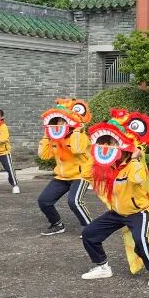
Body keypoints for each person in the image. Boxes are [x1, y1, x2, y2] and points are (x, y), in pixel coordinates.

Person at [79, 109, 149, 287]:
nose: (110, 147)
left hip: (139, 212)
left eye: (113, 143)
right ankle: (102, 266)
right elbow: (86, 174)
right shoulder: (106, 166)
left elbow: (138, 179)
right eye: (107, 144)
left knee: (140, 241)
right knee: (89, 234)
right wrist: (96, 156)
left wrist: (135, 158)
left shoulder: (133, 164)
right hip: (117, 212)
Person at [36, 99, 94, 237]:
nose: (58, 124)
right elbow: (44, 155)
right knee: (44, 201)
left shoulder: (81, 136)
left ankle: (89, 228)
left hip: (80, 176)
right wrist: (46, 136)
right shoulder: (55, 139)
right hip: (62, 177)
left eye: (62, 121)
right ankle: (56, 224)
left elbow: (77, 149)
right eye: (56, 121)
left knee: (74, 201)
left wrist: (77, 131)